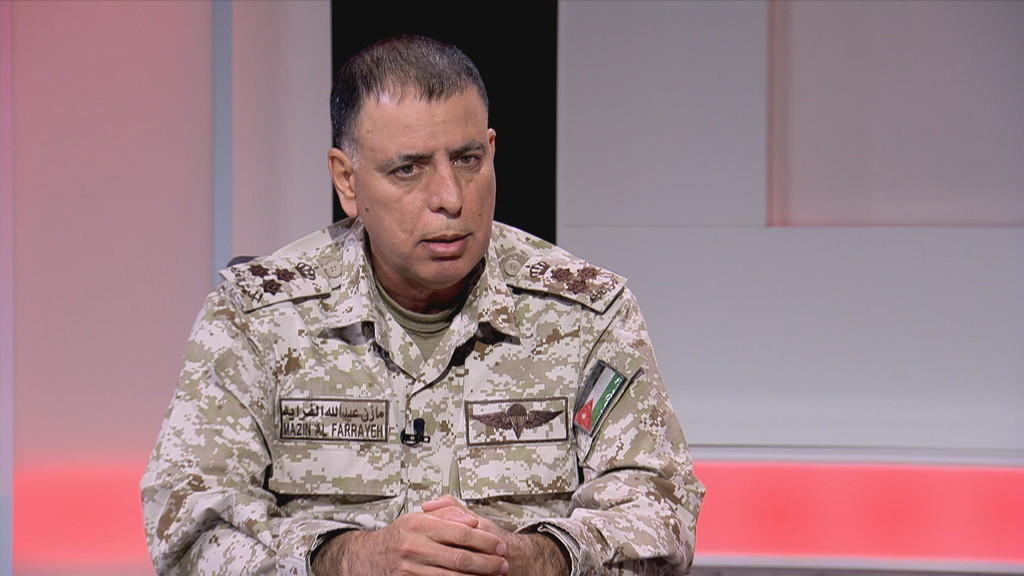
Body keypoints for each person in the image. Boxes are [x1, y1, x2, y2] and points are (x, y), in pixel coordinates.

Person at [142, 35, 704, 576]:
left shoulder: (588, 315)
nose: (449, 198)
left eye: (466, 160)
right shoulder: (257, 319)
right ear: (347, 180)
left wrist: (531, 559)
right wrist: (350, 560)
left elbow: (662, 513)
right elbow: (188, 528)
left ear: (491, 152)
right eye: (407, 169)